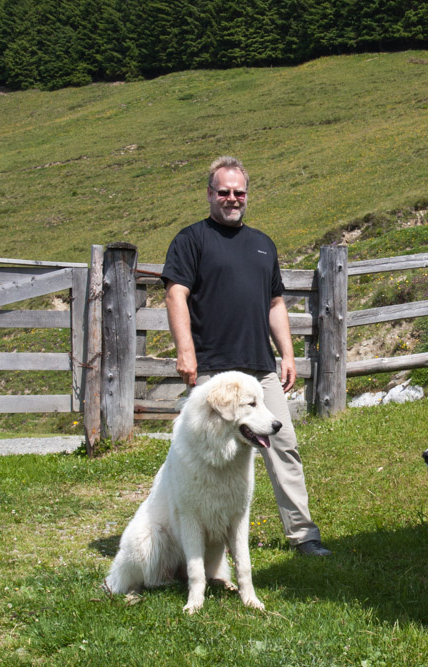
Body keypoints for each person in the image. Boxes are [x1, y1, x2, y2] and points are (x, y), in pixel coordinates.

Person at [161, 155, 332, 557]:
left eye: (239, 192)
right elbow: (175, 294)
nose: (232, 198)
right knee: (198, 455)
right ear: (209, 194)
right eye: (224, 192)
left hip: (260, 370)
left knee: (283, 445)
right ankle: (190, 536)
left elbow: (276, 303)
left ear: (247, 195)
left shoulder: (263, 244)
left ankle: (304, 535)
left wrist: (287, 354)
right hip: (212, 372)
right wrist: (185, 352)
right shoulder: (191, 240)